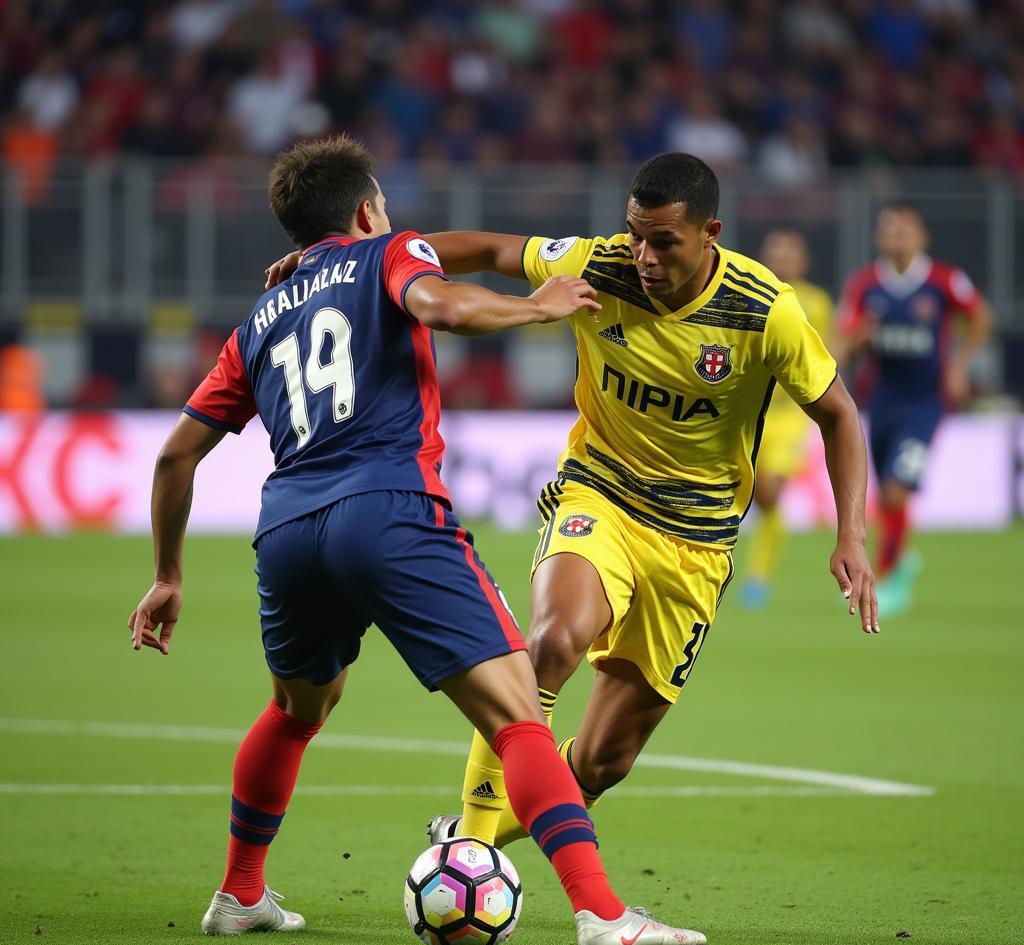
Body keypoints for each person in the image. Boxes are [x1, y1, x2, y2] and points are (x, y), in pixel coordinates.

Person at [129, 135, 706, 945]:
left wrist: (167, 576)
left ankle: (238, 893)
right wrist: (536, 309)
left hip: (287, 528)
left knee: (297, 710)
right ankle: (603, 915)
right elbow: (444, 304)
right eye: (387, 209)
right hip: (388, 508)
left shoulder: (259, 316)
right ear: (367, 211)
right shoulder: (389, 256)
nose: (397, 221)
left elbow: (174, 454)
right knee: (518, 715)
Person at [265, 152, 877, 869]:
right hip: (600, 494)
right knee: (552, 642)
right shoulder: (599, 264)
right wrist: (355, 260)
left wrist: (851, 534)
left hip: (699, 539)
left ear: (710, 232)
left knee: (603, 763)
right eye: (634, 235)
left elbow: (837, 412)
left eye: (664, 242)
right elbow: (490, 250)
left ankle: (480, 839)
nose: (642, 256)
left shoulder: (765, 309)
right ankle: (468, 848)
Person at [835, 203, 991, 616]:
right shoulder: (865, 284)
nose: (898, 238)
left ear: (922, 238)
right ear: (879, 239)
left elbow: (980, 317)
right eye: (891, 231)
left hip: (925, 403)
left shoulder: (944, 281)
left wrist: (959, 366)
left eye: (906, 231)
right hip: (880, 400)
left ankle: (886, 577)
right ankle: (901, 558)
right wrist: (857, 338)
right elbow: (840, 342)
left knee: (895, 488)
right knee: (885, 496)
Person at [740, 229, 834, 608]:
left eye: (789, 255)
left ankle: (758, 575)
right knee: (755, 496)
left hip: (791, 414)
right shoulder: (750, 294)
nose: (781, 261)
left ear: (803, 262)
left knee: (771, 490)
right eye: (774, 254)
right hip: (749, 413)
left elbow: (824, 354)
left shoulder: (818, 303)